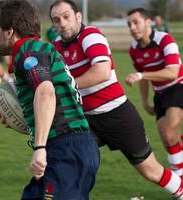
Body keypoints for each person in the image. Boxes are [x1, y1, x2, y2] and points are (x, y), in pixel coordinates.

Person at [50, 1, 183, 199]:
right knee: (74, 164)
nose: (62, 23)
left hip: (118, 115)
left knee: (151, 170)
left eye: (66, 16)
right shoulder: (55, 49)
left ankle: (180, 188)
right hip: (85, 120)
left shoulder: (91, 35)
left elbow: (102, 72)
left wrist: (62, 88)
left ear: (78, 16)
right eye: (56, 20)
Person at [0, 1, 100, 199]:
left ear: (9, 31)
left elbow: (46, 92)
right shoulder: (38, 48)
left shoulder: (28, 51)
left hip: (64, 148)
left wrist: (40, 147)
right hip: (76, 146)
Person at [126, 8, 183, 182]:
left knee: (170, 131)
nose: (132, 27)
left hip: (178, 86)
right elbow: (142, 78)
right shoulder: (134, 50)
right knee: (168, 139)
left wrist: (142, 75)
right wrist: (144, 101)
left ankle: (179, 180)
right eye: (129, 24)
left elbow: (172, 72)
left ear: (148, 22)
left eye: (136, 22)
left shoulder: (165, 40)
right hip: (160, 94)